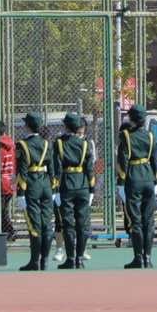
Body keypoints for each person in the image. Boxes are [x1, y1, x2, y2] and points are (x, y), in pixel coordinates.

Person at [117, 104, 157, 268]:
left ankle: (138, 258)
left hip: (133, 178)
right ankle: (148, 258)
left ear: (131, 118)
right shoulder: (150, 136)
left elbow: (123, 161)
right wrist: (155, 180)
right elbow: (155, 161)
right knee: (149, 220)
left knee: (135, 220)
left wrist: (121, 182)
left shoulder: (125, 136)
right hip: (148, 177)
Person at [53, 113, 95, 269]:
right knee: (83, 223)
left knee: (68, 224)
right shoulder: (86, 144)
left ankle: (70, 258)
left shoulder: (59, 144)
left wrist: (55, 189)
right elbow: (90, 169)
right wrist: (92, 188)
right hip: (83, 185)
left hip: (66, 185)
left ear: (65, 126)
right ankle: (80, 258)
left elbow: (56, 169)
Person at [16, 112, 54, 271]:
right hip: (45, 183)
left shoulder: (22, 145)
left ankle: (34, 261)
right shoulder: (47, 144)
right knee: (46, 223)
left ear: (27, 126)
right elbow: (52, 168)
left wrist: (21, 192)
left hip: (31, 184)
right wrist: (52, 187)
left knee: (34, 224)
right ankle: (44, 261)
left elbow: (22, 171)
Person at [77, 117, 96, 260]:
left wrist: (91, 187)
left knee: (84, 218)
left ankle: (83, 249)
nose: (79, 131)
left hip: (84, 181)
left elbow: (92, 161)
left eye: (82, 129)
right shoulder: (66, 141)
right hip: (72, 180)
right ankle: (69, 251)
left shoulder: (89, 142)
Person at [0, 121, 18, 241]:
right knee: (2, 208)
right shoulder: (11, 146)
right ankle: (4, 232)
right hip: (10, 181)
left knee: (0, 209)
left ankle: (10, 231)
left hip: (1, 183)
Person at [115, 121, 133, 246]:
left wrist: (122, 181)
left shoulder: (128, 146)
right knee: (128, 210)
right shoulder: (121, 146)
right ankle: (131, 236)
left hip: (131, 181)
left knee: (131, 210)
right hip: (129, 181)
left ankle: (134, 236)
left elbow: (123, 165)